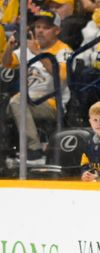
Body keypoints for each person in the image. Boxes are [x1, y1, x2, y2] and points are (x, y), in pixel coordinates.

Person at [2, 10, 72, 163]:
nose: (40, 30)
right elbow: (6, 62)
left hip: (51, 103)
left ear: (57, 30)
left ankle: (35, 150)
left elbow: (62, 76)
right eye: (38, 26)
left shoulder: (64, 50)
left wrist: (39, 53)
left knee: (17, 101)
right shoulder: (29, 47)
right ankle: (5, 152)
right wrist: (9, 45)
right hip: (26, 101)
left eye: (45, 27)